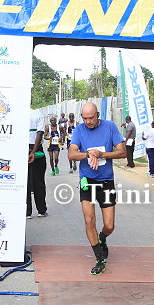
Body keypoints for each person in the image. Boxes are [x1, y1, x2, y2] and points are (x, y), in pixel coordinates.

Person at [68, 102, 126, 275]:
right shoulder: (79, 130)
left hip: (106, 181)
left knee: (109, 225)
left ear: (98, 115)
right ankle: (99, 259)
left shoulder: (110, 127)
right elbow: (71, 154)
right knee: (89, 220)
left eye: (91, 118)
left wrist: (101, 154)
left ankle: (102, 237)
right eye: (85, 118)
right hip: (87, 180)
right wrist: (88, 154)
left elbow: (122, 152)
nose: (88, 122)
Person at [27, 111, 48, 218]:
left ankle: (27, 212)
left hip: (23, 148)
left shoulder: (17, 113)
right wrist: (34, 152)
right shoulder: (37, 114)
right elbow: (40, 133)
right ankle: (41, 210)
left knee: (25, 181)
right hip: (36, 149)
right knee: (39, 181)